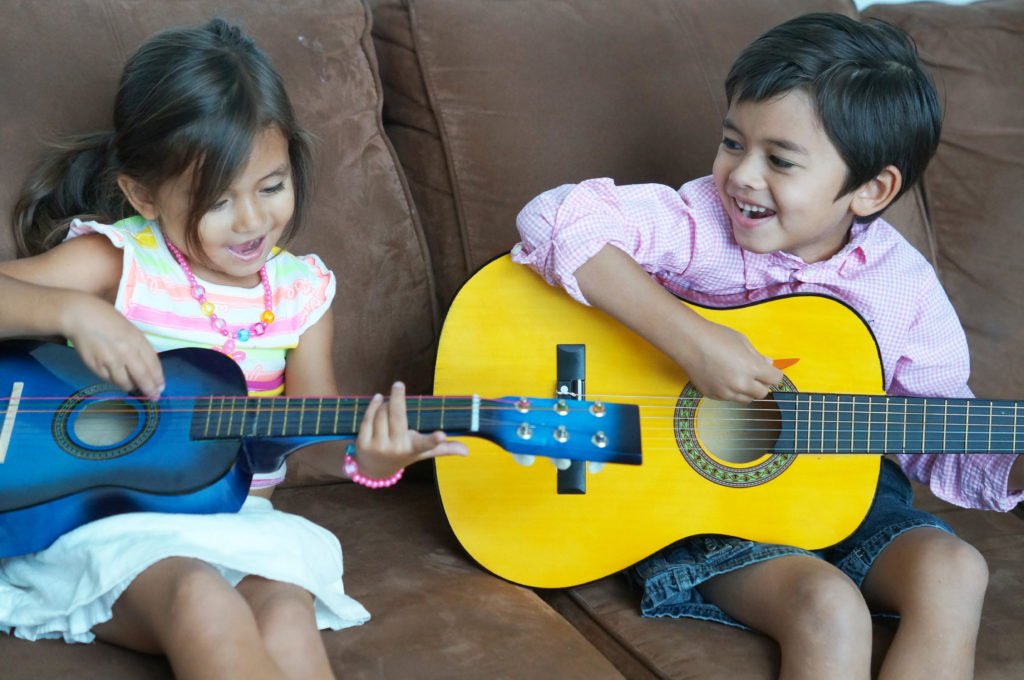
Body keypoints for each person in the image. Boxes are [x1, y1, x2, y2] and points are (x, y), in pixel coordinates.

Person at [513, 12, 1021, 680]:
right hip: (705, 510)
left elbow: (935, 427)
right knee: (830, 606)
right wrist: (692, 342)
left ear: (872, 189)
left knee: (957, 570)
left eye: (779, 160)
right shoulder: (699, 223)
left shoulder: (903, 291)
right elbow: (555, 218)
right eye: (732, 143)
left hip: (852, 501)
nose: (742, 176)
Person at [0, 17, 466, 680]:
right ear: (143, 195)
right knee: (203, 602)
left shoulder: (303, 294)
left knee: (284, 611)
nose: (252, 221)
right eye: (218, 201)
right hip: (110, 521)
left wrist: (371, 456)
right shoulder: (123, 259)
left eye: (271, 187)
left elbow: (314, 432)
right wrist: (72, 308)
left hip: (239, 518)